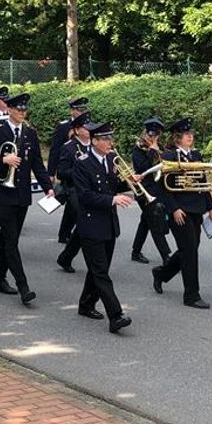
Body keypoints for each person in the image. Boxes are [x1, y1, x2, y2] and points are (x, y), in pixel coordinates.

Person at [0, 93, 54, 305]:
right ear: (10, 110)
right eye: (19, 109)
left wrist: (47, 187)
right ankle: (24, 287)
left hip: (21, 194)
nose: (23, 113)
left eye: (25, 110)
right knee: (11, 242)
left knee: (9, 238)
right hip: (3, 192)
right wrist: (4, 159)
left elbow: (37, 164)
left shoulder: (30, 133)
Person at [72, 121, 135, 333]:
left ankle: (86, 304)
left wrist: (129, 182)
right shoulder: (82, 163)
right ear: (95, 141)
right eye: (106, 139)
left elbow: (113, 185)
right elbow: (85, 195)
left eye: (111, 138)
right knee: (100, 272)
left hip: (108, 223)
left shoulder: (110, 159)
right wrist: (112, 200)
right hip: (91, 225)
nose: (111, 143)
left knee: (99, 269)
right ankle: (116, 315)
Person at [151, 117, 212, 309]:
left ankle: (162, 274)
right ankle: (191, 295)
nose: (190, 137)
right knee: (190, 251)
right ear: (178, 137)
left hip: (196, 207)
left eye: (191, 134)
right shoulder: (170, 156)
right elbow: (162, 187)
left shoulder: (196, 155)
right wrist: (174, 209)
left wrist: (210, 207)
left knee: (190, 247)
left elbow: (203, 183)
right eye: (186, 134)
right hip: (179, 211)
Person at [130, 117, 172, 264]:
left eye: (155, 135)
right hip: (144, 192)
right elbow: (142, 169)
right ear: (144, 134)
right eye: (149, 135)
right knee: (154, 222)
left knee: (146, 221)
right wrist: (151, 152)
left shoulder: (160, 147)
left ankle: (136, 251)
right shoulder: (138, 149)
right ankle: (167, 256)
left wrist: (157, 151)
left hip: (158, 190)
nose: (151, 138)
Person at [54, 112, 91, 272]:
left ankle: (66, 257)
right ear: (77, 130)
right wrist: (79, 171)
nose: (88, 129)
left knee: (82, 226)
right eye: (85, 126)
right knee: (87, 224)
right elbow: (61, 173)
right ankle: (95, 265)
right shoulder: (68, 148)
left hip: (91, 190)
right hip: (74, 190)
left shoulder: (94, 145)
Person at [49, 97, 90, 243]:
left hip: (81, 180)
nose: (81, 112)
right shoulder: (64, 126)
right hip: (68, 172)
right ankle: (73, 236)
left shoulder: (88, 127)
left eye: (83, 109)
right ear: (72, 110)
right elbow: (55, 151)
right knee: (72, 202)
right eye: (79, 109)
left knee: (71, 208)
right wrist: (51, 173)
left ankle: (64, 233)